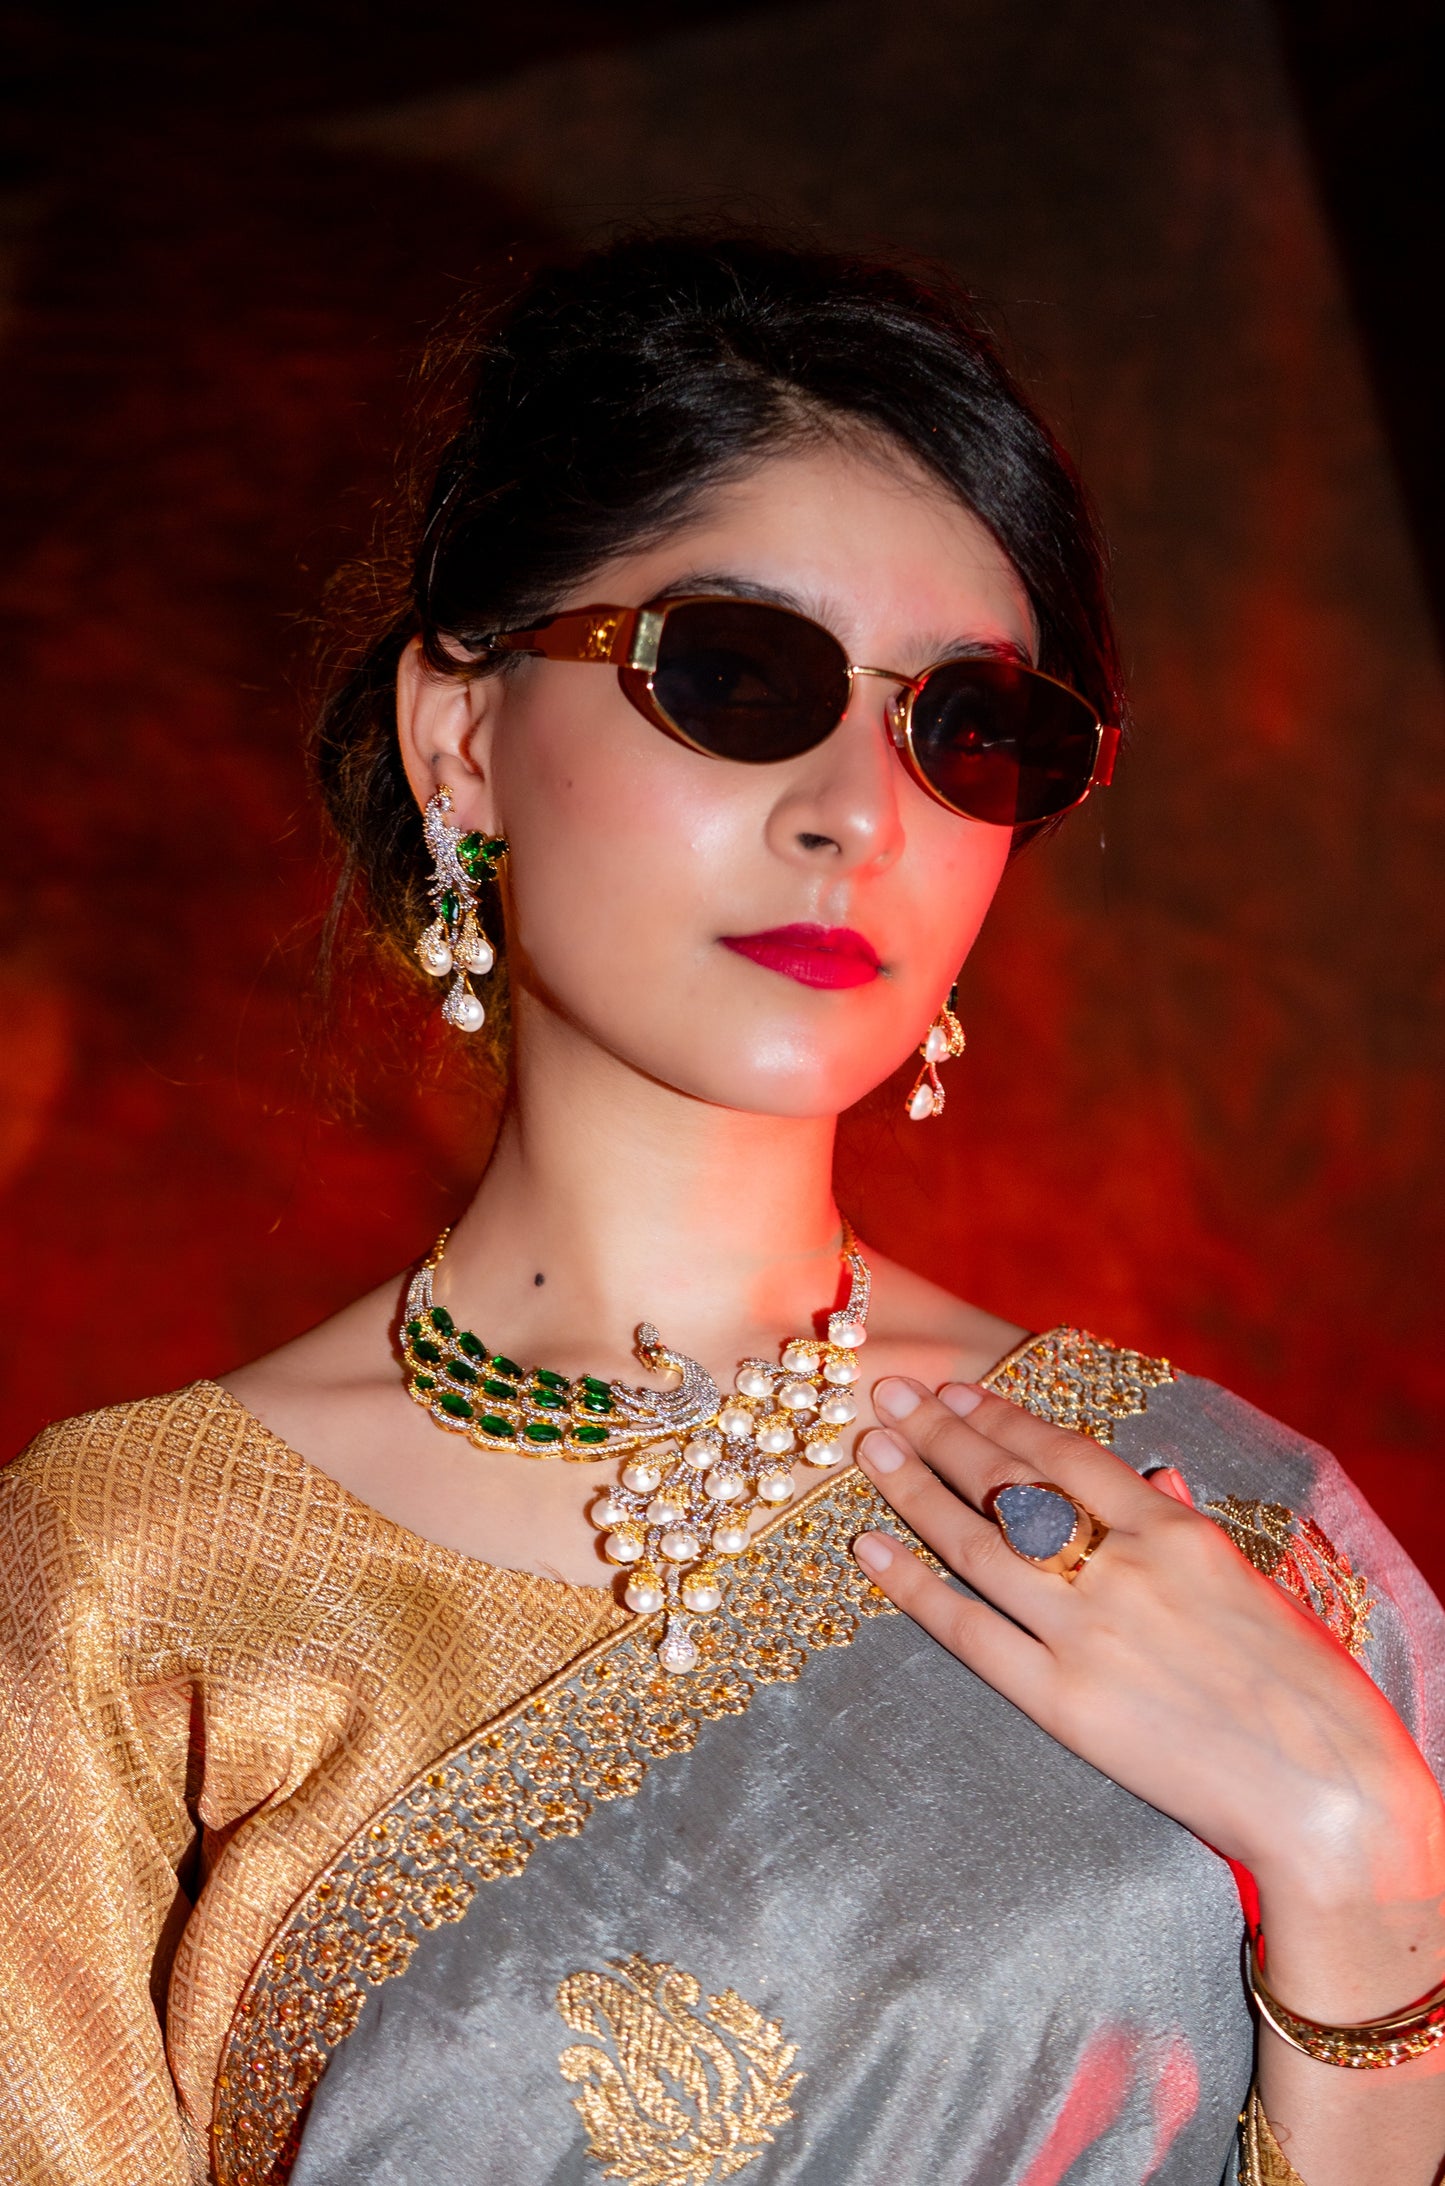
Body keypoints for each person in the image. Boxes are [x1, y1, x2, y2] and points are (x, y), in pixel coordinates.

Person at [2, 232, 1442, 2186]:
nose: (862, 811)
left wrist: (1368, 1885)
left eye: (968, 727)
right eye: (739, 675)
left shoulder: (1226, 1523)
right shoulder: (128, 1584)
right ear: (462, 740)